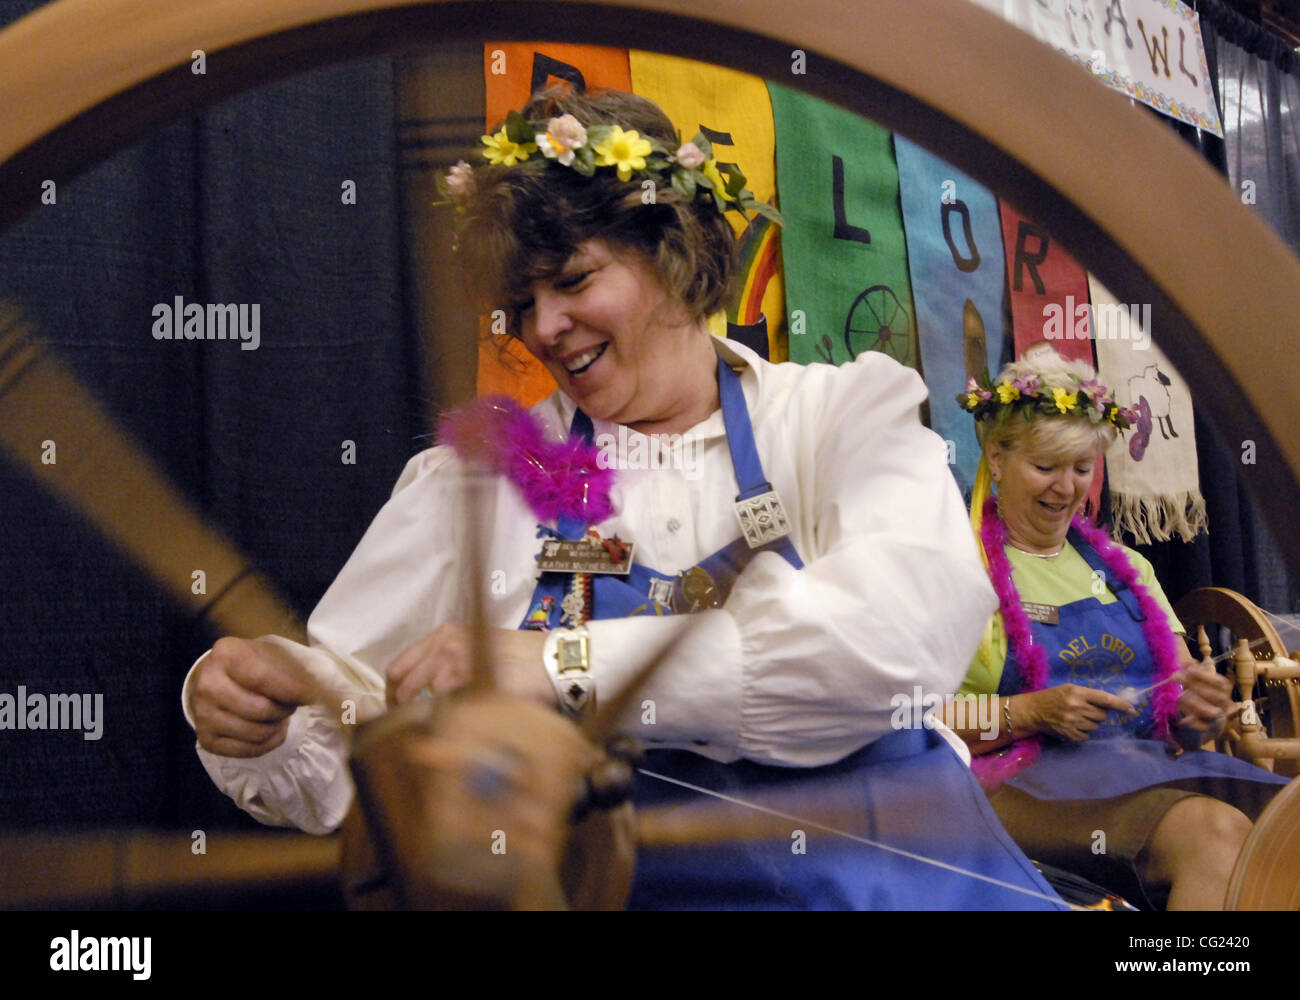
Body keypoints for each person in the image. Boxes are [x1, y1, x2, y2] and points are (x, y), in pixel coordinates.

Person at [183, 87, 1063, 908]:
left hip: (905, 886)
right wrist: (265, 715)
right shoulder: (479, 481)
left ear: (674, 254)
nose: (543, 328)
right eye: (521, 302)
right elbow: (357, 742)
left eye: (570, 281)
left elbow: (895, 643)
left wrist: (561, 666)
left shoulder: (839, 419)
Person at [946, 343, 1288, 909]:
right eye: (1046, 467)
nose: (1066, 488)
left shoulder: (1127, 572)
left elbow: (1180, 700)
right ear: (996, 457)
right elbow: (905, 720)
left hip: (1133, 769)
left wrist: (1196, 705)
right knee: (1214, 836)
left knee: (1288, 827)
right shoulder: (954, 566)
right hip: (1014, 786)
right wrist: (1028, 712)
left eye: (1082, 468)